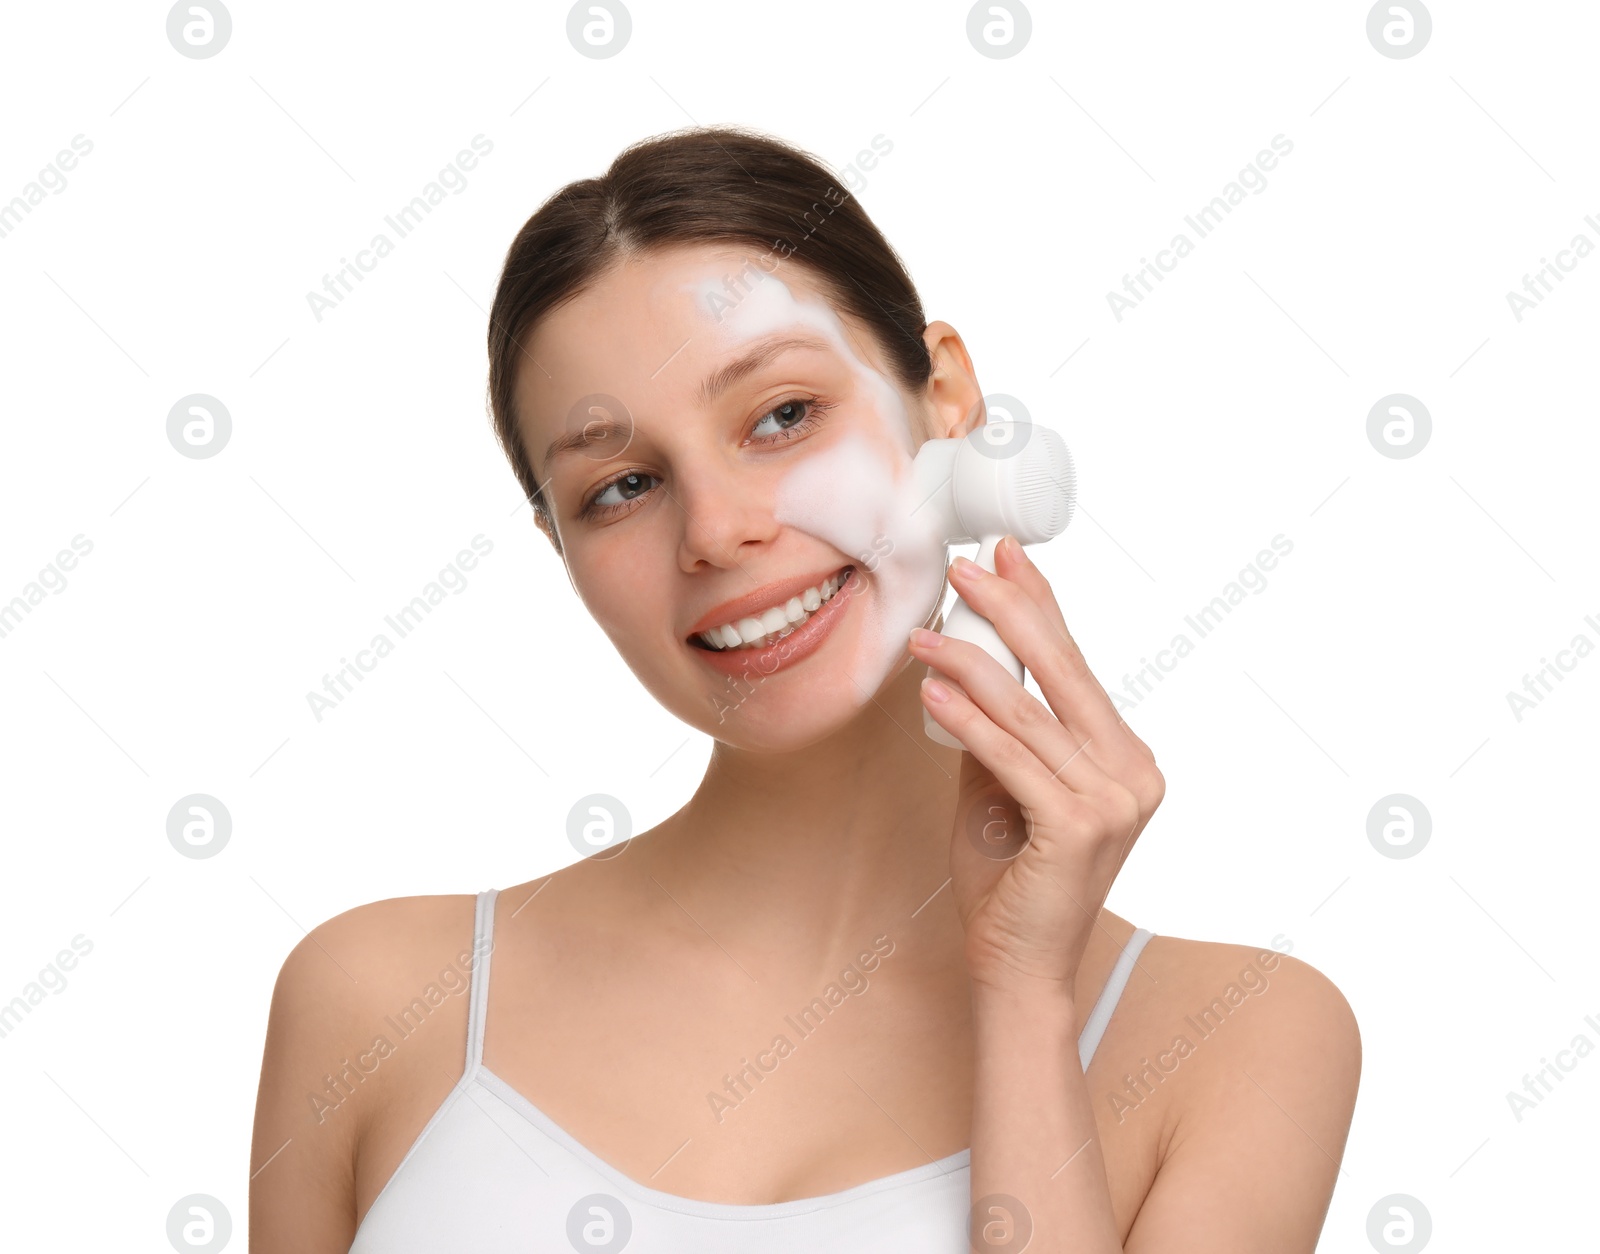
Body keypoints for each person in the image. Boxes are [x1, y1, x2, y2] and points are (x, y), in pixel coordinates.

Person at [250, 125, 1360, 1253]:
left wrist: (1023, 996)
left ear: (946, 398)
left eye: (781, 416)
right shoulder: (376, 1002)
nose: (720, 531)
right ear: (560, 547)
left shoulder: (1240, 1042)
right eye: (622, 486)